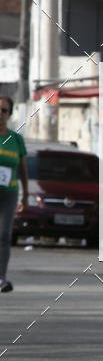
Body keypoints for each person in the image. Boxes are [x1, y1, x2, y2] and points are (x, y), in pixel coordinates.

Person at [0, 96, 28, 293]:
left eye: (4, 110)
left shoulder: (16, 139)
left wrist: (26, 195)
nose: (0, 113)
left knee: (3, 235)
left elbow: (23, 169)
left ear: (9, 114)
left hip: (9, 193)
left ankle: (1, 277)